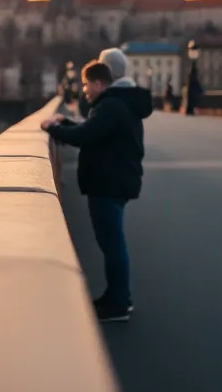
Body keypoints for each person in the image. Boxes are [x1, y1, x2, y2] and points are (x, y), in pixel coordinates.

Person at [41, 58, 153, 322]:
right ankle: (115, 295)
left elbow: (85, 137)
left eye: (86, 84)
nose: (84, 90)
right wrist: (65, 124)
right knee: (111, 242)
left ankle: (119, 302)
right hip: (116, 180)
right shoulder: (115, 104)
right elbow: (91, 131)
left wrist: (54, 128)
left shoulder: (110, 107)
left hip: (109, 183)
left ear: (99, 83)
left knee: (112, 243)